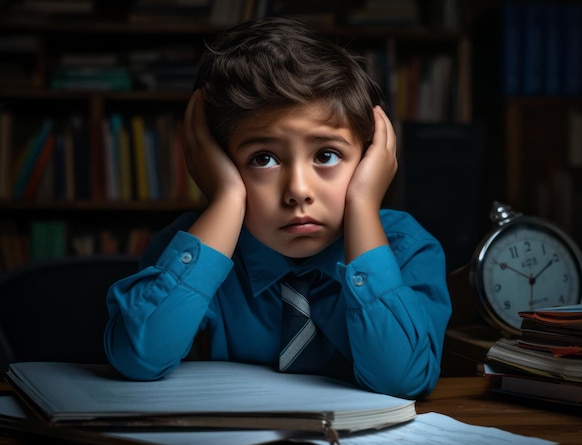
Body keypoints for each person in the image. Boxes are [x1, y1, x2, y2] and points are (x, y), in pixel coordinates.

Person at [104, 16, 451, 399]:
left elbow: (403, 379)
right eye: (263, 159)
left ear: (370, 159)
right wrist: (227, 198)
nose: (298, 191)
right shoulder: (192, 248)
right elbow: (137, 358)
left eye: (327, 154)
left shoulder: (406, 248)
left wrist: (363, 203)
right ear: (217, 162)